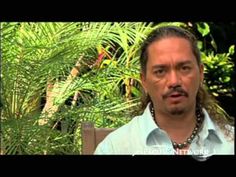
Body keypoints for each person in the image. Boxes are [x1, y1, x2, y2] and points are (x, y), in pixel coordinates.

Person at [94, 25, 234, 155]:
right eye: (160, 71)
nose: (174, 81)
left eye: (184, 68)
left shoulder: (230, 144)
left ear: (201, 73)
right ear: (144, 80)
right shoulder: (115, 148)